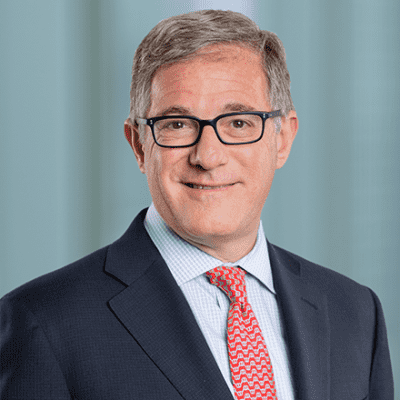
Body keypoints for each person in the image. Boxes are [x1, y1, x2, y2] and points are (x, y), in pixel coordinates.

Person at [0, 9, 393, 400]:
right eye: (177, 125)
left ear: (283, 139)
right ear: (139, 145)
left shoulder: (355, 313)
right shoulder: (43, 322)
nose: (207, 156)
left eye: (238, 123)